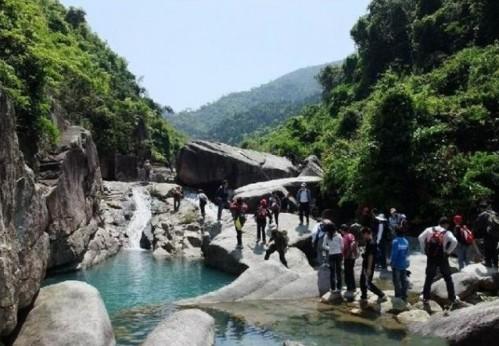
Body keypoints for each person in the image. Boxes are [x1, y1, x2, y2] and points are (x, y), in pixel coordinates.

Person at [418, 217, 458, 306]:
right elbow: (455, 241)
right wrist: (448, 252)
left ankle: (426, 298)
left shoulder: (429, 229)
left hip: (431, 257)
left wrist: (423, 250)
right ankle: (452, 298)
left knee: (429, 277)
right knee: (448, 278)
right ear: (446, 224)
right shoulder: (447, 232)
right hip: (442, 257)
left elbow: (420, 237)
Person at [360, 227, 387, 303]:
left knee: (367, 283)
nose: (363, 236)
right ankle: (364, 296)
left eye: (363, 235)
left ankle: (381, 294)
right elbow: (368, 254)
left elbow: (371, 256)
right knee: (362, 282)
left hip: (368, 266)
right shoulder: (369, 242)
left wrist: (368, 268)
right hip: (366, 265)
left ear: (366, 234)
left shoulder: (372, 243)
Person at [474, 202, 499, 268]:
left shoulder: (482, 215)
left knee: (487, 248)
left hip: (487, 234)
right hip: (496, 234)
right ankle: (496, 263)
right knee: (494, 248)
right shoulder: (493, 212)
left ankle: (488, 263)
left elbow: (477, 225)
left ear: (481, 208)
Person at [323, 222, 343, 293]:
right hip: (339, 255)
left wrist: (330, 248)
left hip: (331, 255)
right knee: (338, 272)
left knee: (332, 272)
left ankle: (332, 288)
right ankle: (339, 288)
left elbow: (324, 246)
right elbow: (342, 246)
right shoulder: (339, 235)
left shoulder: (326, 236)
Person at [390, 225, 410, 301]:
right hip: (403, 264)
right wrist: (407, 263)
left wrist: (392, 263)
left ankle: (398, 295)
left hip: (396, 264)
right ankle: (404, 295)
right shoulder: (406, 241)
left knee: (396, 280)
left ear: (396, 232)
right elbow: (407, 253)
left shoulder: (395, 241)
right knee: (403, 280)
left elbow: (394, 254)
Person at [342, 224, 359, 297]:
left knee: (348, 272)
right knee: (350, 272)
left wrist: (349, 253)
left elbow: (353, 243)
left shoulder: (348, 236)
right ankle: (353, 287)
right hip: (350, 257)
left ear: (342, 230)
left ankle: (350, 288)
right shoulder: (349, 235)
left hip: (349, 257)